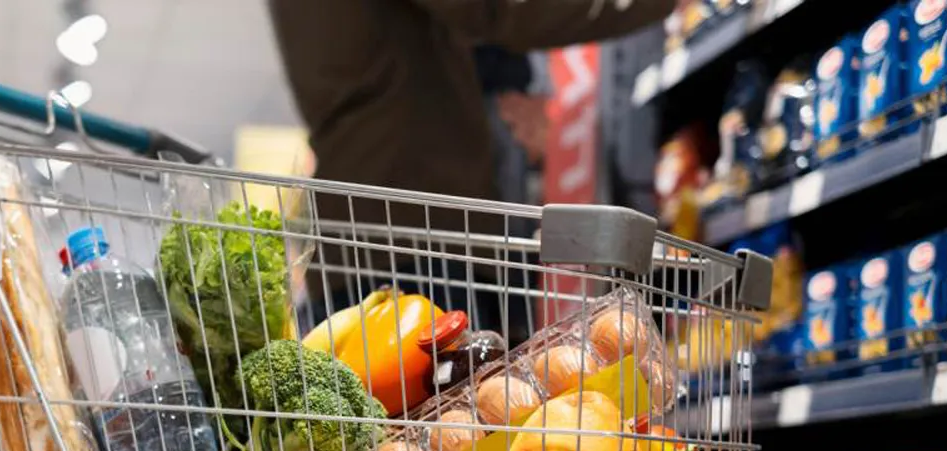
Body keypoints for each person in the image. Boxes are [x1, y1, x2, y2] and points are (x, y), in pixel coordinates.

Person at [269, 0, 673, 341]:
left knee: (380, 430)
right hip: (418, 228)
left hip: (356, 227)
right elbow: (502, 9)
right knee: (454, 425)